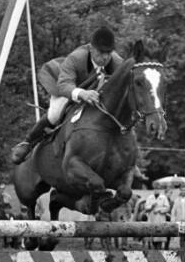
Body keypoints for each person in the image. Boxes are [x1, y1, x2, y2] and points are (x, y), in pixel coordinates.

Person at [10, 27, 123, 164]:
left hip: (94, 93)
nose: (105, 57)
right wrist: (82, 93)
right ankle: (27, 143)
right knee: (55, 114)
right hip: (66, 87)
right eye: (101, 52)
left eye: (108, 52)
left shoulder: (117, 62)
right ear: (92, 49)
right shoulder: (76, 58)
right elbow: (64, 85)